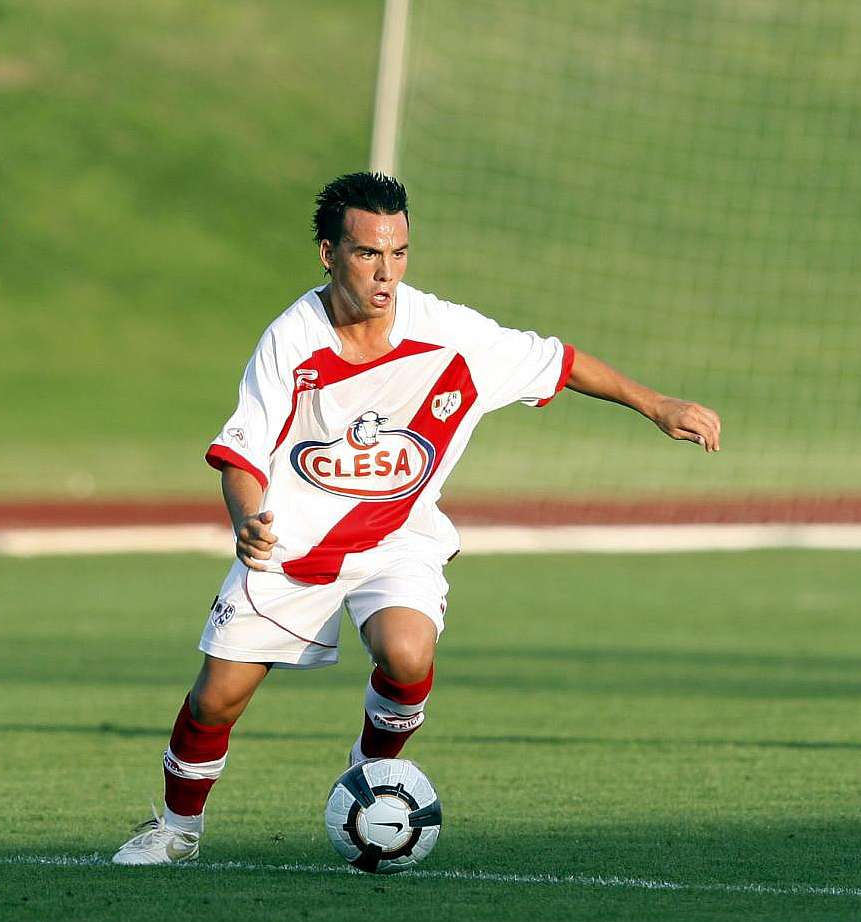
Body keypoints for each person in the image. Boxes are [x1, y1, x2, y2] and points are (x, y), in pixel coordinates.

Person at [113, 172, 721, 865]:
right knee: (216, 700)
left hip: (396, 539)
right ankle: (176, 830)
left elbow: (560, 361)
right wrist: (248, 520)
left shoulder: (447, 333)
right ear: (328, 253)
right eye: (369, 253)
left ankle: (372, 780)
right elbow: (241, 454)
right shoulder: (292, 340)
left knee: (408, 654)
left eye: (399, 253)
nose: (386, 271)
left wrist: (657, 404)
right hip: (293, 546)